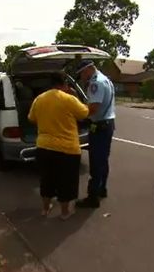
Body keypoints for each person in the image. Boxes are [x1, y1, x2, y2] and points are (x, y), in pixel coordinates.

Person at [28, 72, 89, 220]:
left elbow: (31, 118)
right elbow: (84, 114)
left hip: (44, 147)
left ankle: (45, 209)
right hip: (67, 149)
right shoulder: (69, 99)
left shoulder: (39, 99)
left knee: (47, 180)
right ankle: (64, 213)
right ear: (64, 84)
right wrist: (75, 96)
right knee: (66, 182)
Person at [75, 60, 115, 208]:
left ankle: (93, 197)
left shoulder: (95, 83)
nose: (81, 78)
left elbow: (93, 108)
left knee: (96, 162)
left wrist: (78, 115)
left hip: (99, 126)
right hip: (108, 123)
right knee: (103, 160)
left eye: (81, 74)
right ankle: (102, 189)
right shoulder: (106, 79)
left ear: (87, 70)